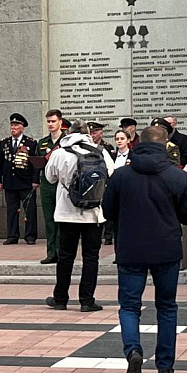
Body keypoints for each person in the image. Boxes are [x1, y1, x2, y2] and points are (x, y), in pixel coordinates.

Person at [103, 126, 187, 373]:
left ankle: (133, 351)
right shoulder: (177, 176)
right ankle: (165, 365)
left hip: (130, 249)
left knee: (129, 306)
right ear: (166, 144)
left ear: (138, 143)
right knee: (166, 307)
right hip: (166, 250)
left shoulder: (121, 176)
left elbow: (107, 211)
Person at [44, 119, 115, 312]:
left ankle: (60, 299)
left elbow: (49, 178)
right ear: (88, 134)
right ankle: (87, 300)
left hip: (67, 213)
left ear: (69, 133)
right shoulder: (100, 152)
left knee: (66, 256)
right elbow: (110, 173)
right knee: (91, 257)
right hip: (93, 214)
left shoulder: (59, 153)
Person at [0, 113, 39, 245]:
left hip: (26, 182)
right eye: (12, 125)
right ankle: (12, 235)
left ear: (22, 128)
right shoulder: (4, 143)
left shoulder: (30, 143)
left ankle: (30, 235)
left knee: (30, 210)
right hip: (10, 182)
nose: (13, 128)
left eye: (16, 125)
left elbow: (35, 164)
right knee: (12, 210)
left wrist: (35, 180)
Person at [37, 109, 64, 263]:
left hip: (62, 184)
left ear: (60, 122)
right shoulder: (42, 143)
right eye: (48, 121)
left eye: (53, 121)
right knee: (49, 220)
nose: (50, 124)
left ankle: (61, 252)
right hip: (47, 184)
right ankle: (51, 252)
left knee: (61, 219)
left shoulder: (66, 141)